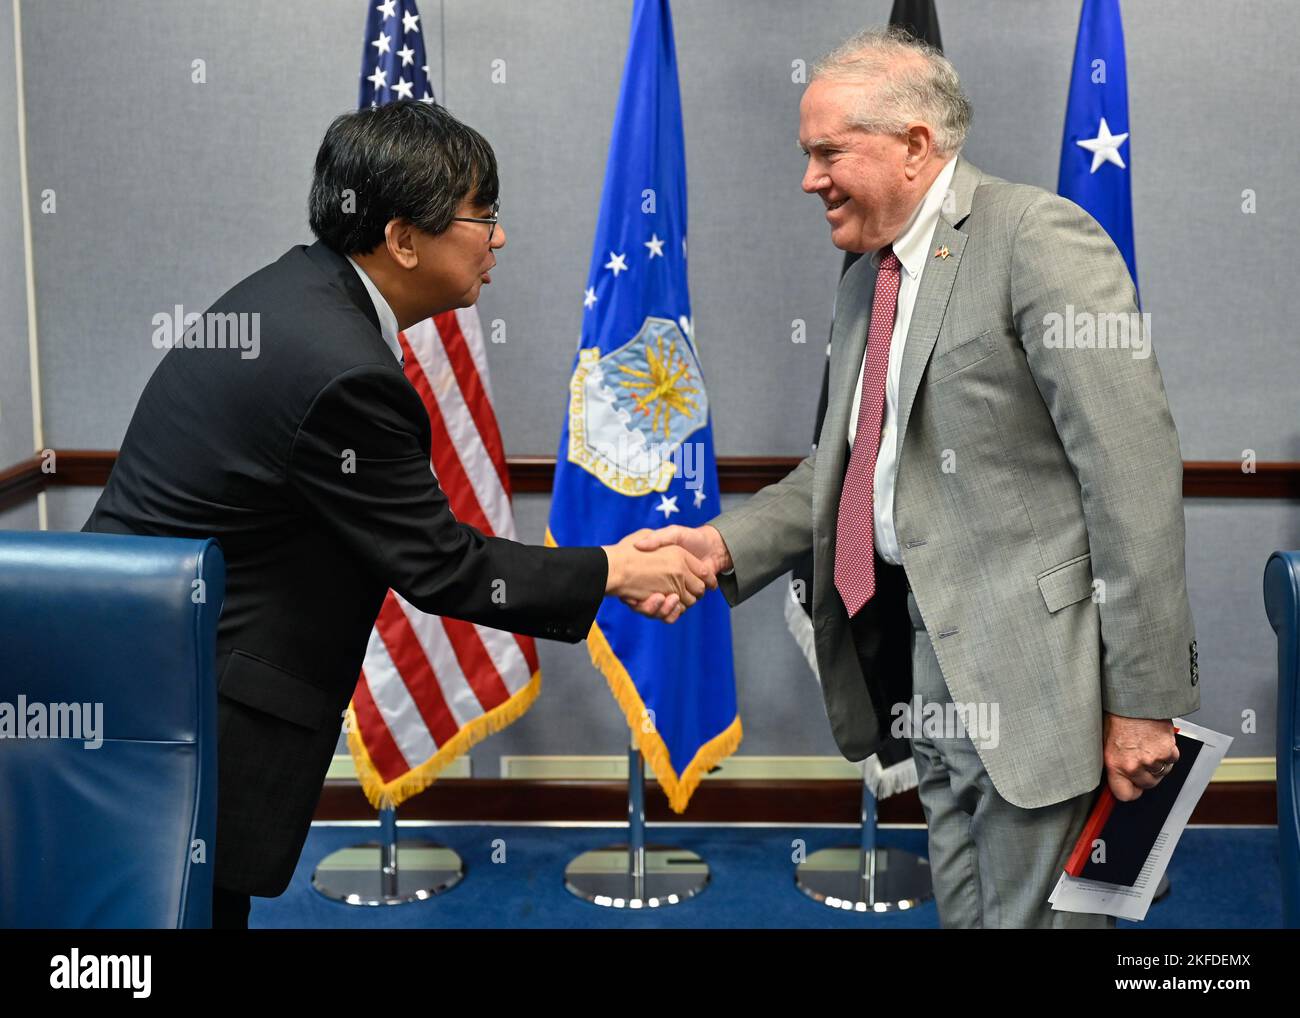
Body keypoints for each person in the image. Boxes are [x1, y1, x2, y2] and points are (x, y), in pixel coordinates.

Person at [83, 100, 714, 928]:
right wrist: (619, 569)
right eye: (481, 216)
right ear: (402, 238)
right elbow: (444, 566)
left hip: (144, 674)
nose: (498, 238)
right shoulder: (339, 366)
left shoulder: (300, 298)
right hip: (182, 707)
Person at [631, 27, 1198, 928]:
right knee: (965, 913)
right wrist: (717, 545)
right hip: (920, 661)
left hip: (1041, 677)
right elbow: (850, 463)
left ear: (914, 146)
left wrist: (1146, 702)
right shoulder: (867, 277)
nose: (809, 179)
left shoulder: (1037, 237)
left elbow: (1131, 478)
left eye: (827, 152)